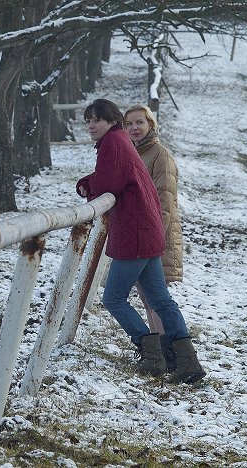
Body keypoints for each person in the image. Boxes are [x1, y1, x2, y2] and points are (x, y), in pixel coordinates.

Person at [76, 98, 205, 384]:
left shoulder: (114, 143)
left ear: (111, 120)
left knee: (113, 298)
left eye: (96, 119)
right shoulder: (122, 142)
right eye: (87, 121)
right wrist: (90, 181)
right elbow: (113, 176)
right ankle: (186, 362)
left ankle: (151, 356)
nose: (91, 125)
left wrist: (88, 186)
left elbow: (109, 184)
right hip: (147, 232)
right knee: (160, 299)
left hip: (134, 233)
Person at [124, 104, 182, 372]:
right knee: (148, 298)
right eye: (129, 124)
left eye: (140, 123)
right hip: (140, 236)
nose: (134, 128)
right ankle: (161, 352)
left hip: (156, 236)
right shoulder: (133, 154)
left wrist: (155, 238)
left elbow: (165, 200)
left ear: (151, 125)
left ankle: (170, 353)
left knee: (157, 299)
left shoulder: (160, 154)